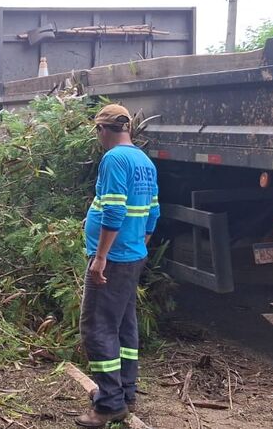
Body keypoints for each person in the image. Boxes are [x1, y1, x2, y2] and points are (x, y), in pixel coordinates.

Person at [76, 104, 160, 427]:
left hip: (113, 259)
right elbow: (153, 212)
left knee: (97, 328)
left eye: (97, 132)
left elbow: (113, 212)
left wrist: (101, 258)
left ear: (103, 130)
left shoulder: (114, 159)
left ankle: (109, 403)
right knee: (125, 326)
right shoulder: (143, 161)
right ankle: (126, 393)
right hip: (133, 255)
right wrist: (138, 246)